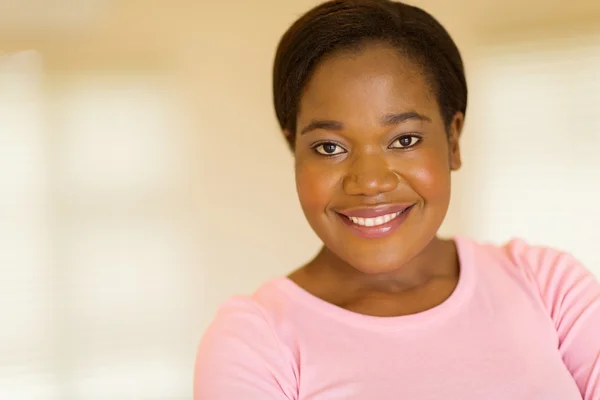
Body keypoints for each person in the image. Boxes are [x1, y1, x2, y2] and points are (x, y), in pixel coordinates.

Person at [194, 0, 600, 398]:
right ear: (294, 151)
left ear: (453, 140)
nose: (369, 183)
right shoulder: (255, 343)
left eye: (404, 139)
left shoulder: (547, 287)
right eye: (329, 147)